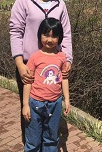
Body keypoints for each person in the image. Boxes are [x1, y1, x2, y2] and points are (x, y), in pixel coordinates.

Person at [10, 0, 73, 142]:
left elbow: (66, 34)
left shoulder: (60, 5)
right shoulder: (23, 1)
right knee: (29, 110)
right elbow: (15, 32)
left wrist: (68, 59)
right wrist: (20, 64)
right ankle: (30, 144)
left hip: (53, 66)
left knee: (51, 109)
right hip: (29, 67)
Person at [22, 17, 70, 152]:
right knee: (33, 138)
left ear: (59, 37)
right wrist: (25, 105)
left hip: (55, 103)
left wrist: (67, 99)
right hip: (36, 103)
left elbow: (64, 78)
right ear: (40, 35)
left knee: (51, 137)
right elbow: (28, 82)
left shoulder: (61, 57)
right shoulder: (35, 57)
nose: (50, 39)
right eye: (46, 35)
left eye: (54, 36)